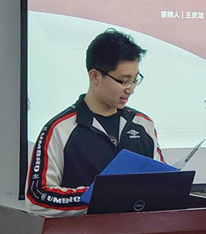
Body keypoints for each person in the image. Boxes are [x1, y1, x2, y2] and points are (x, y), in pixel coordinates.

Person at [25, 29, 165, 216]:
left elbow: (163, 182)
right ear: (95, 76)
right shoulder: (60, 129)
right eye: (123, 81)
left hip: (139, 232)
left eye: (135, 80)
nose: (130, 89)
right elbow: (37, 197)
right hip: (84, 232)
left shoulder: (142, 124)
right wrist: (97, 197)